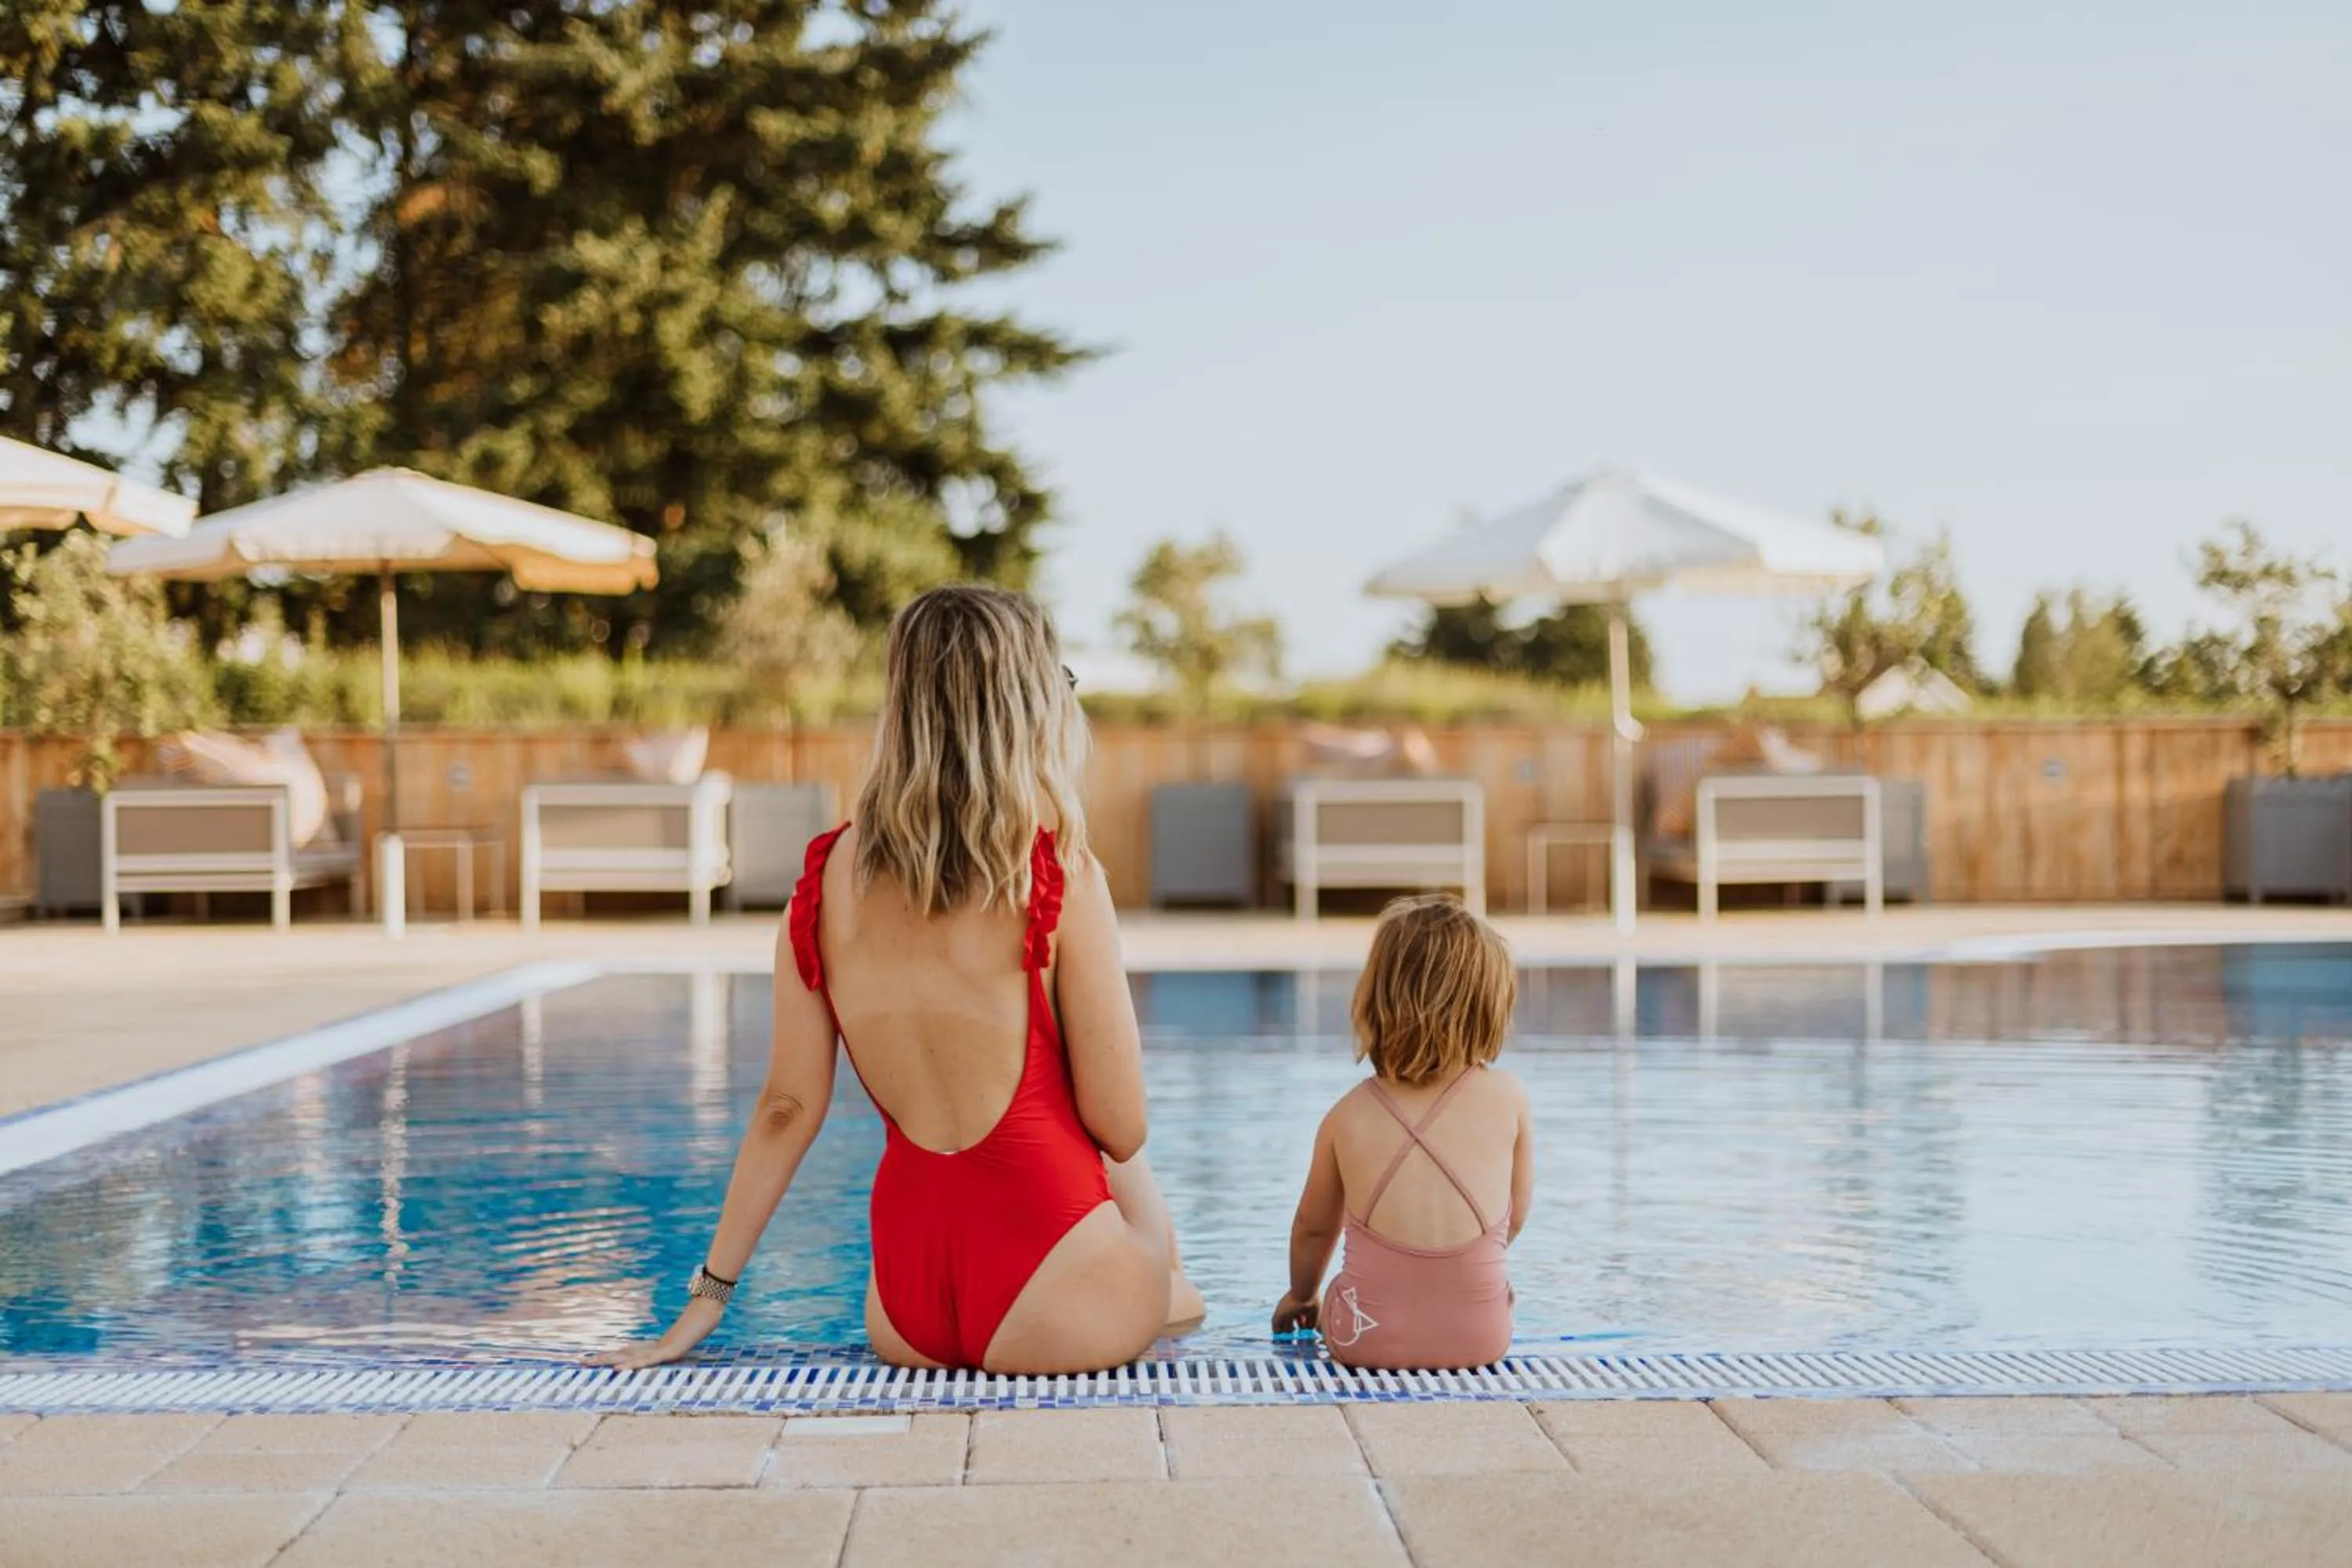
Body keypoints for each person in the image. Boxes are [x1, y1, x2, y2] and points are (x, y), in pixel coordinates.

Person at [592, 584, 1202, 1374]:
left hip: (906, 1308)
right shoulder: (1060, 873)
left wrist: (705, 1299)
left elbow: (787, 1106)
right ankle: (1170, 1286)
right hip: (1059, 1294)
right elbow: (1121, 1123)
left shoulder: (821, 880)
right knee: (1146, 1215)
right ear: (1030, 706)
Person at [1272, 894, 1531, 1369]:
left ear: (1374, 1000)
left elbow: (1312, 1229)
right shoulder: (1509, 1101)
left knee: (1339, 1293)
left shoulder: (1345, 1116)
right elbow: (1513, 1219)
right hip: (1481, 1337)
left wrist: (1301, 1297)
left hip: (1363, 1340)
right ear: (1490, 1006)